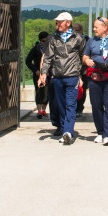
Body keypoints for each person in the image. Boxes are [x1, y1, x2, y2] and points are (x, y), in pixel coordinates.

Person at [39, 12, 87, 144]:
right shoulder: (53, 38)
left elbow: (84, 57)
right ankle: (63, 127)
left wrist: (79, 73)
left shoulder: (78, 38)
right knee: (60, 105)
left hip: (72, 77)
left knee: (70, 104)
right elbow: (47, 57)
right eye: (57, 22)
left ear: (68, 23)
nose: (57, 24)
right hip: (57, 77)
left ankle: (68, 132)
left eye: (60, 22)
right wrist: (44, 73)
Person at [82, 17, 108, 145]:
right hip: (95, 77)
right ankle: (100, 132)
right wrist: (87, 61)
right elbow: (85, 56)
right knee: (96, 106)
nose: (94, 29)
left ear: (105, 27)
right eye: (94, 27)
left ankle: (107, 135)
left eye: (96, 27)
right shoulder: (91, 40)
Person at [25, 31, 49, 118]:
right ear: (40, 40)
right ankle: (39, 110)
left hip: (48, 73)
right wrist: (35, 70)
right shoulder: (35, 49)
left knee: (46, 92)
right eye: (43, 41)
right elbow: (28, 61)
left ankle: (44, 110)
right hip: (37, 74)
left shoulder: (51, 49)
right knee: (39, 91)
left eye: (46, 41)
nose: (45, 42)